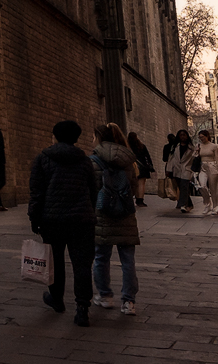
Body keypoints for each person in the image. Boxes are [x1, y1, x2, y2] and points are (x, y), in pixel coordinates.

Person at [28, 119, 96, 327]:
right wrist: (89, 211)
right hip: (81, 221)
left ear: (55, 135)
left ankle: (56, 299)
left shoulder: (43, 159)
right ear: (76, 137)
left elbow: (37, 192)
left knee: (55, 262)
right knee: (82, 264)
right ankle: (82, 307)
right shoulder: (85, 161)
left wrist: (34, 217)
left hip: (52, 220)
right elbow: (93, 191)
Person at [90, 123, 140, 316]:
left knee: (101, 257)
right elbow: (134, 188)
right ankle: (128, 302)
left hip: (102, 215)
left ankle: (105, 296)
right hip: (125, 215)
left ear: (100, 138)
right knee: (128, 260)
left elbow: (91, 190)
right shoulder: (129, 160)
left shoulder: (93, 160)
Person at [165, 130, 195, 212]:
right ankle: (189, 204)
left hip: (186, 169)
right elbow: (170, 159)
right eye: (181, 135)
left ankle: (182, 205)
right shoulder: (175, 147)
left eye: (184, 135)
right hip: (177, 169)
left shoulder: (191, 148)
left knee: (184, 186)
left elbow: (194, 159)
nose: (182, 137)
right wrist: (168, 169)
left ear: (187, 136)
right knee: (181, 188)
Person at [197, 130, 218, 215]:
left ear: (207, 136)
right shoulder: (199, 146)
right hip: (203, 167)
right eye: (200, 137)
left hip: (212, 166)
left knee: (213, 188)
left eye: (203, 137)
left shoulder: (213, 146)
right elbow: (194, 157)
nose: (201, 139)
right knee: (202, 186)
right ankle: (207, 204)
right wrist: (196, 151)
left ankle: (216, 206)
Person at [127, 132, 153, 205]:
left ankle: (132, 198)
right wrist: (150, 165)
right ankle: (140, 200)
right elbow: (147, 157)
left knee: (133, 183)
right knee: (141, 184)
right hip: (142, 167)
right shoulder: (141, 146)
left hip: (131, 166)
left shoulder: (127, 147)